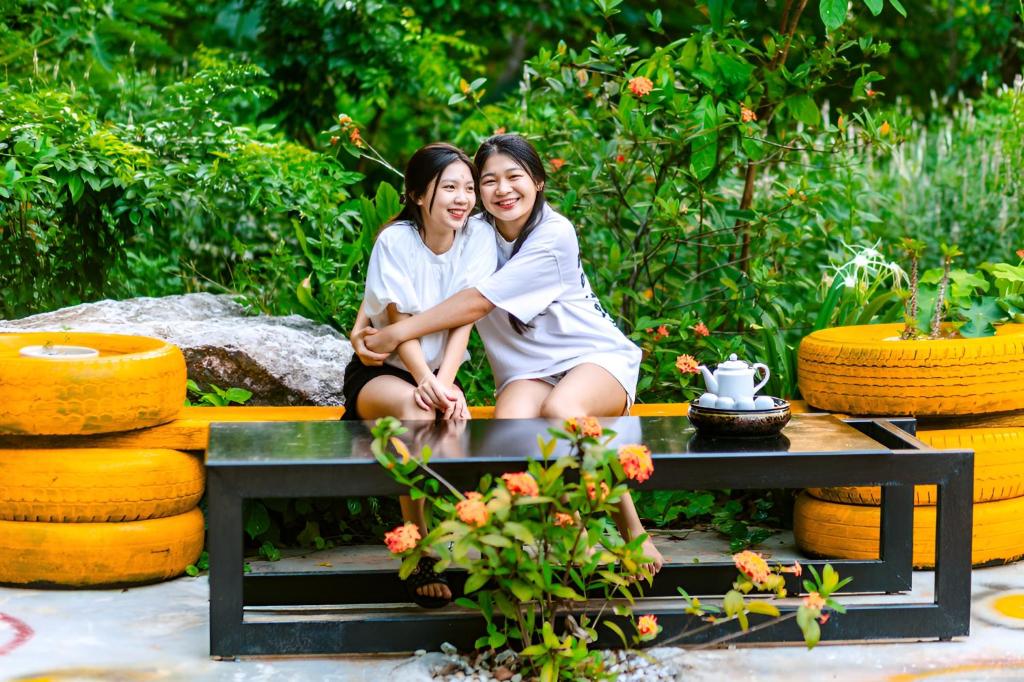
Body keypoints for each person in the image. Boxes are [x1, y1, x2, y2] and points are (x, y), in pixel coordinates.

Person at [352, 133, 665, 575]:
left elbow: (475, 303)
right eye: (489, 181)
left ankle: (633, 532)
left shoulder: (555, 234)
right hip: (526, 372)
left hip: (594, 359)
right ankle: (556, 532)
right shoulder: (476, 232)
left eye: (514, 177)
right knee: (511, 433)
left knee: (562, 410)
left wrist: (394, 335)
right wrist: (365, 328)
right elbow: (416, 268)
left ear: (537, 181)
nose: (503, 190)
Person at [343, 142, 497, 607]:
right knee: (418, 410)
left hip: (438, 370)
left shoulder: (478, 239)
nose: (462, 199)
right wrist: (426, 383)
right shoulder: (396, 242)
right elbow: (395, 322)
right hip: (383, 374)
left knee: (449, 417)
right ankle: (419, 542)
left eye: (469, 188)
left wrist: (446, 383)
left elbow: (464, 320)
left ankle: (476, 537)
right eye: (448, 187)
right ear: (416, 194)